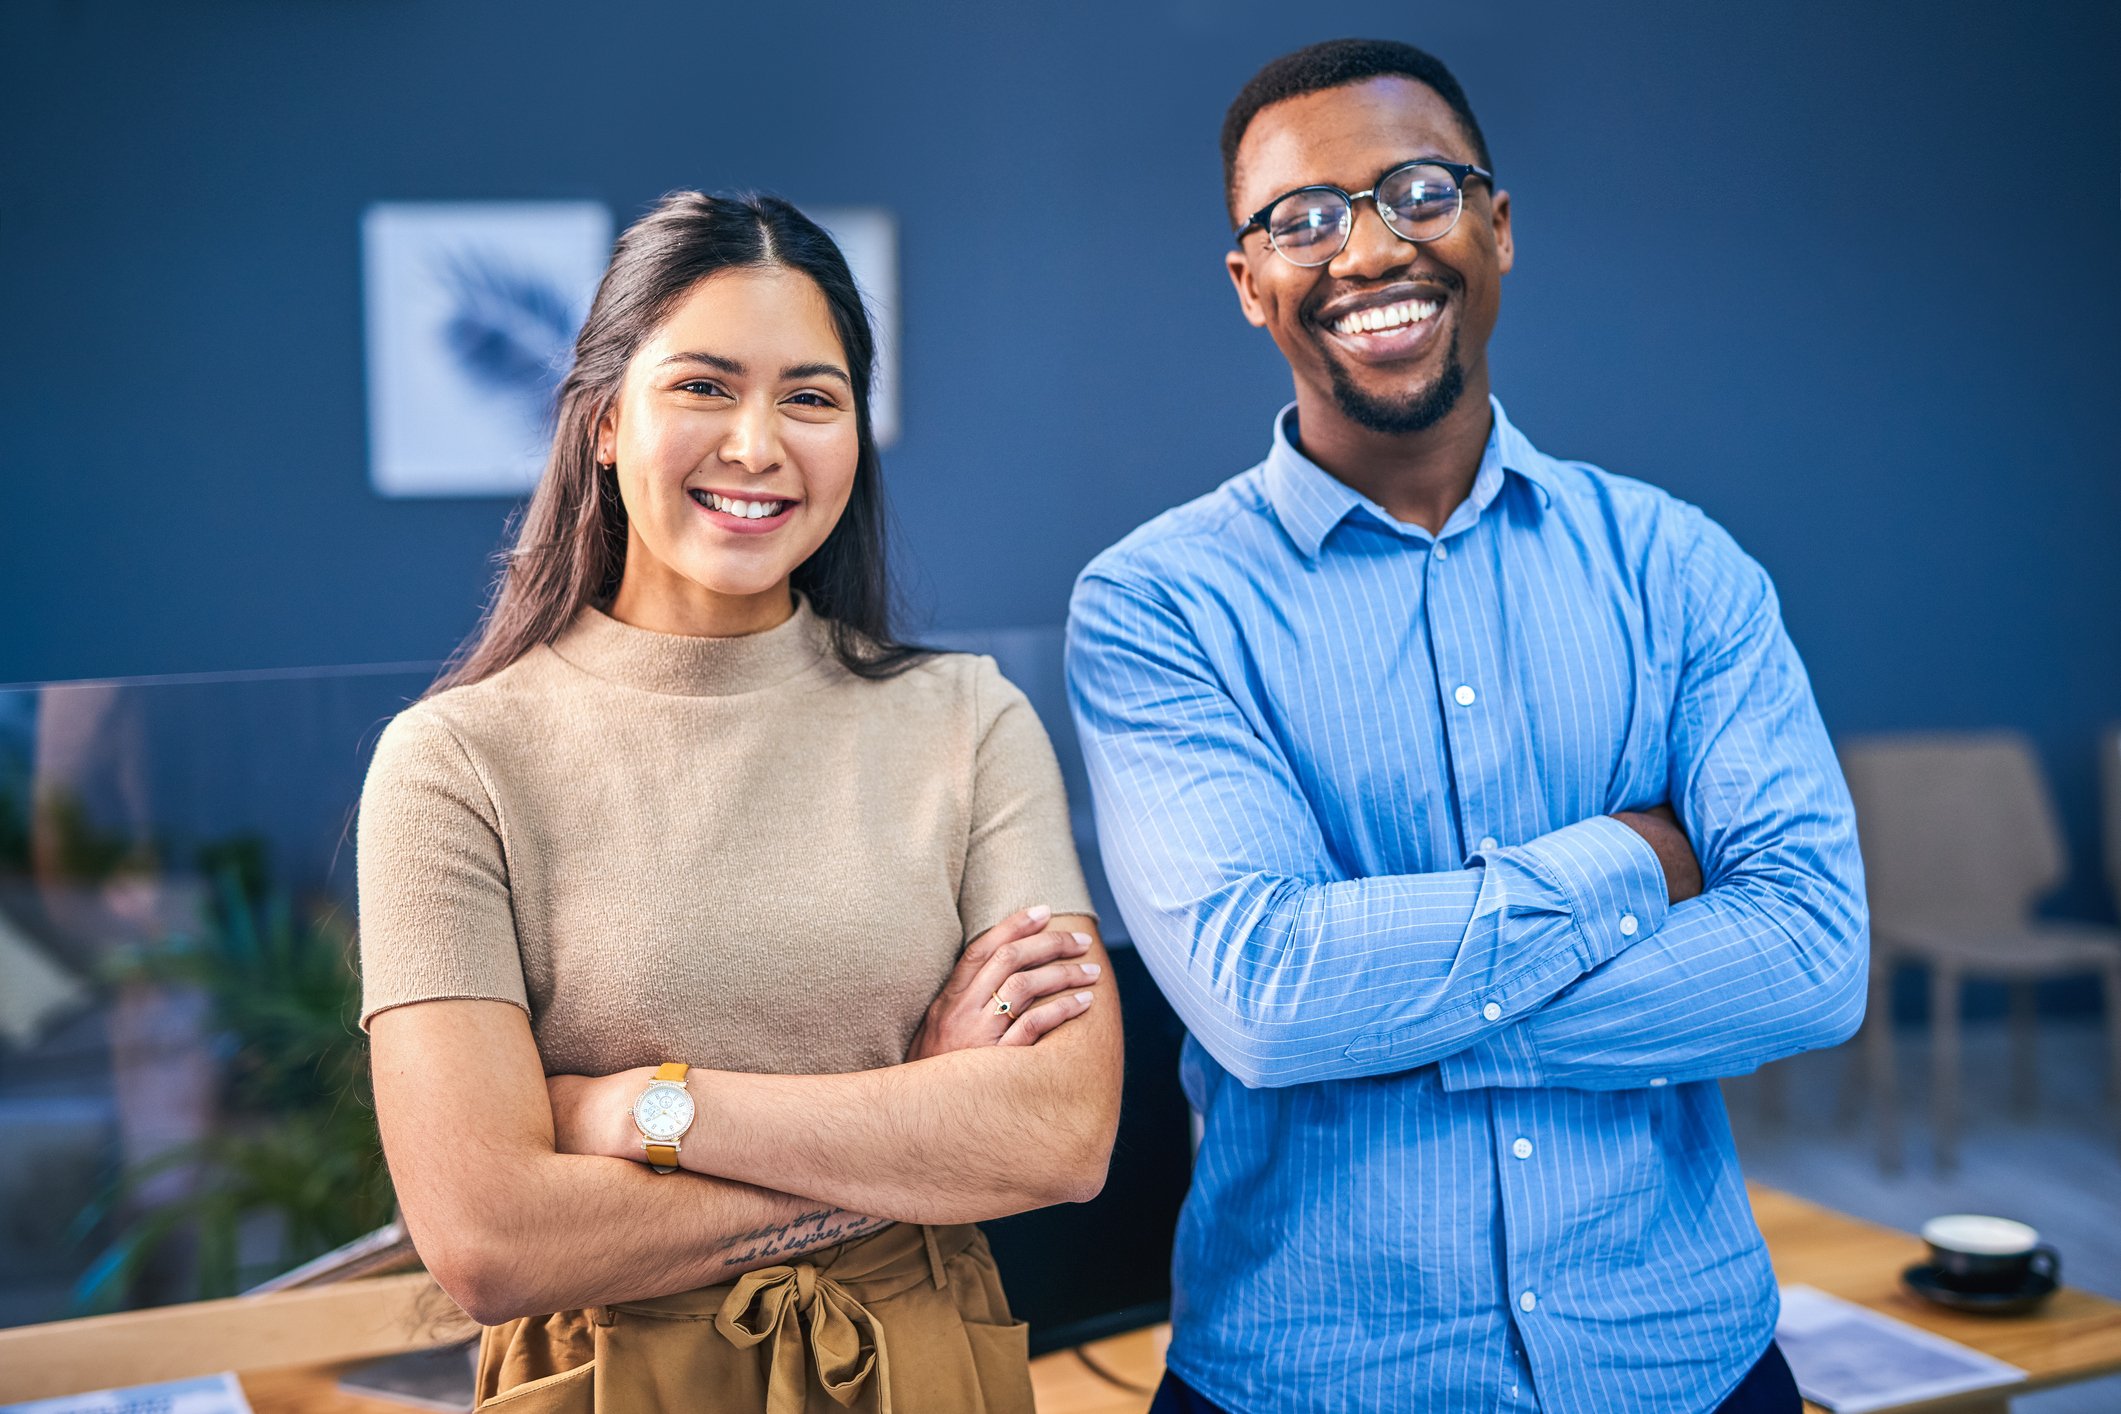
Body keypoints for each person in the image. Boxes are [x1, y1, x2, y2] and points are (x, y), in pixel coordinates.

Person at [1066, 39, 1865, 1414]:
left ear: (1495, 226)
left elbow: (1807, 957)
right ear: (1249, 284)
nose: (1368, 249)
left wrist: (1390, 1017)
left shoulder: (1681, 568)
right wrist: (1635, 857)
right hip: (1311, 1379)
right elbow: (1268, 997)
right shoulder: (1157, 605)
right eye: (1303, 219)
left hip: (1684, 1360)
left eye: (1415, 192)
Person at [357, 191, 1123, 1413]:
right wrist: (919, 1126)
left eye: (811, 398)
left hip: (924, 1373)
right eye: (705, 386)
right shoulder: (453, 762)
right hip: (613, 1385)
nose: (759, 444)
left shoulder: (970, 721)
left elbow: (1062, 1135)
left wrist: (651, 1110)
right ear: (605, 424)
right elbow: (489, 1238)